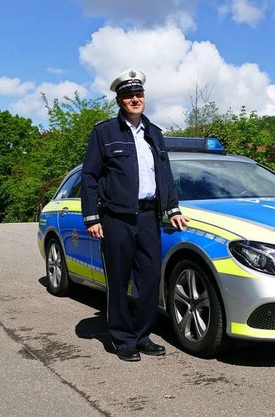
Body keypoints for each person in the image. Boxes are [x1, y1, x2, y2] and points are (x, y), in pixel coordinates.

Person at [81, 68, 190, 362]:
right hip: (115, 218)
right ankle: (122, 339)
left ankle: (142, 336)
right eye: (129, 95)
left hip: (148, 217)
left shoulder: (154, 133)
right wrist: (92, 217)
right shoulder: (104, 132)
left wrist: (173, 207)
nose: (135, 99)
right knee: (118, 280)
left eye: (138, 94)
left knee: (149, 279)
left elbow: (164, 173)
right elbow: (90, 177)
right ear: (119, 100)